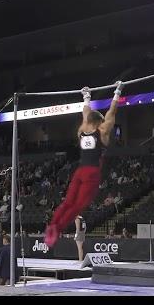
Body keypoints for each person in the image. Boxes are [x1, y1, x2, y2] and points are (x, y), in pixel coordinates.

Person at [44, 82, 124, 247]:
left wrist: (86, 97)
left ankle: (51, 226)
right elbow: (112, 112)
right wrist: (118, 91)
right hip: (91, 173)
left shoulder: (82, 130)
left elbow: (85, 113)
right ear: (99, 123)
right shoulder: (102, 132)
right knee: (78, 206)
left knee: (67, 202)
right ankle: (57, 230)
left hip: (79, 171)